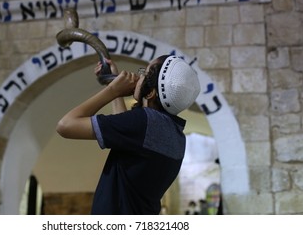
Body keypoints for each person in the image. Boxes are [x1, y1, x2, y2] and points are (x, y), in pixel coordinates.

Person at [56, 55, 200, 214]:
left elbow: (65, 125)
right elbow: (126, 136)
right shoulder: (176, 135)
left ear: (151, 92)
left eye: (144, 73)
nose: (138, 76)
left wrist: (112, 90)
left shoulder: (142, 123)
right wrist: (112, 82)